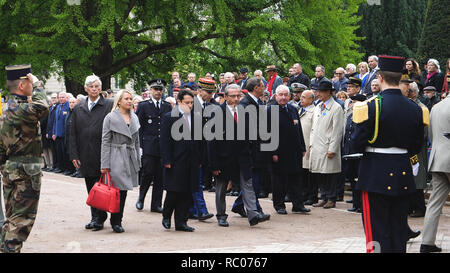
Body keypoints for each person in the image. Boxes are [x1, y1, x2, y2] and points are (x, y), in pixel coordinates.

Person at [351, 55, 425, 253]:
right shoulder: (416, 109)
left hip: (375, 173)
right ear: (401, 78)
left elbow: (355, 144)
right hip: (403, 172)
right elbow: (416, 146)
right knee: (398, 229)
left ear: (380, 78)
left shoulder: (369, 106)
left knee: (376, 231)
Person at [0, 64, 49, 253]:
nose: (32, 85)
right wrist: (38, 84)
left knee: (12, 220)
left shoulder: (7, 109)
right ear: (22, 85)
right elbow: (42, 106)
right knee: (20, 222)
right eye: (29, 82)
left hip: (11, 170)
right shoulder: (19, 109)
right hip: (25, 172)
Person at [209, 84, 270, 227]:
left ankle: (253, 214)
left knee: (248, 185)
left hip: (243, 157)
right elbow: (211, 141)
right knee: (221, 188)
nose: (236, 99)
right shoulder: (217, 112)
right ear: (225, 97)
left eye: (238, 96)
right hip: (224, 158)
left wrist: (253, 156)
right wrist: (214, 164)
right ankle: (221, 215)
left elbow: (252, 135)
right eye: (232, 96)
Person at [70, 74, 114, 231]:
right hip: (85, 152)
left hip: (102, 151)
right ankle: (95, 216)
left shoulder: (108, 105)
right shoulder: (78, 108)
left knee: (101, 185)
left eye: (97, 86)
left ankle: (100, 218)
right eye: (91, 87)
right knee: (90, 185)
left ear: (100, 88)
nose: (94, 89)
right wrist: (74, 154)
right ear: (86, 88)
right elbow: (73, 132)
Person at [100, 90, 140, 233]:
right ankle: (114, 220)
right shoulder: (110, 117)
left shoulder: (134, 117)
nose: (129, 101)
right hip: (115, 156)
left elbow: (136, 141)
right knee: (116, 190)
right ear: (119, 101)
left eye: (131, 99)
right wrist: (104, 164)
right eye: (126, 99)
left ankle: (117, 219)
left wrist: (137, 160)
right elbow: (105, 141)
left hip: (129, 156)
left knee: (123, 191)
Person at [160, 90, 201, 232]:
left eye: (192, 103)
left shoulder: (196, 117)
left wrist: (200, 159)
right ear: (179, 102)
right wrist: (167, 159)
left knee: (187, 192)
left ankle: (181, 221)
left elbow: (199, 141)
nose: (190, 105)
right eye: (187, 102)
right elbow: (165, 140)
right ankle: (166, 215)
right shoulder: (169, 117)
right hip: (176, 160)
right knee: (174, 191)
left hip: (191, 161)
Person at [231, 77, 271, 218]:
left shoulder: (257, 103)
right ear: (256, 88)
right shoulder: (245, 105)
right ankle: (256, 211)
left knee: (253, 181)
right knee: (253, 182)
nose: (264, 88)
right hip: (250, 152)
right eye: (262, 86)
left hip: (258, 150)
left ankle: (238, 205)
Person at [268, 85, 308, 214]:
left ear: (290, 96)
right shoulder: (269, 111)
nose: (283, 97)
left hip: (294, 151)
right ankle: (279, 205)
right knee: (279, 181)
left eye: (286, 95)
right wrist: (272, 152)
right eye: (281, 95)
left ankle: (298, 205)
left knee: (296, 179)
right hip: (278, 152)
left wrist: (302, 147)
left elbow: (298, 130)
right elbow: (266, 133)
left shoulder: (293, 109)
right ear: (275, 96)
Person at [135, 79, 172, 213]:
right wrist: (139, 146)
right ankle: (141, 197)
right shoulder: (144, 106)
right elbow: (139, 127)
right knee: (147, 173)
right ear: (150, 90)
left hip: (163, 147)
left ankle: (156, 204)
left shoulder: (167, 106)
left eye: (160, 89)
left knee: (160, 177)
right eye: (155, 89)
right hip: (149, 146)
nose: (158, 92)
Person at [420, 94, 449, 253]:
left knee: (434, 203)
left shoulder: (436, 107)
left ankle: (427, 242)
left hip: (438, 159)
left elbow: (431, 135)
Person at [310, 80, 344, 209]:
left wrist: (333, 148)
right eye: (319, 91)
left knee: (330, 174)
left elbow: (337, 130)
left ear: (330, 92)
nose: (319, 94)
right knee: (320, 173)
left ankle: (331, 197)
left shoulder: (336, 108)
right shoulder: (318, 106)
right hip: (317, 145)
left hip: (327, 145)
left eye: (322, 91)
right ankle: (323, 196)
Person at [188, 78, 216, 221]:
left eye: (212, 92)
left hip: (206, 150)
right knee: (197, 182)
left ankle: (191, 209)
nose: (211, 95)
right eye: (208, 92)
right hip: (193, 150)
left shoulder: (212, 105)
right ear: (199, 91)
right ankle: (202, 211)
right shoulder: (191, 104)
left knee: (195, 182)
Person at [406, 82, 429, 218]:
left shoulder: (422, 109)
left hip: (417, 149)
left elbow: (424, 133)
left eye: (409, 91)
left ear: (414, 93)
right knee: (410, 180)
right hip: (408, 148)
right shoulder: (410, 107)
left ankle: (420, 208)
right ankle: (410, 207)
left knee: (417, 180)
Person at [299, 90, 317, 206]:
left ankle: (312, 196)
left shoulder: (314, 111)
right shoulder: (300, 109)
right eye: (301, 97)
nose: (301, 99)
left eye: (304, 97)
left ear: (311, 99)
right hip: (301, 145)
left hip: (309, 145)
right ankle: (304, 195)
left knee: (311, 174)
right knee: (303, 173)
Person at [53, 92, 70, 175]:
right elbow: (55, 121)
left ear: (66, 98)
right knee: (59, 152)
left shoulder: (68, 106)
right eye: (60, 97)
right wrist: (54, 132)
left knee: (65, 153)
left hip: (64, 134)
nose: (61, 99)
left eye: (63, 97)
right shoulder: (58, 106)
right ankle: (61, 167)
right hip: (58, 134)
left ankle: (66, 168)